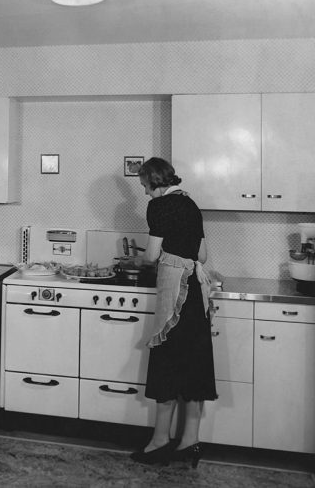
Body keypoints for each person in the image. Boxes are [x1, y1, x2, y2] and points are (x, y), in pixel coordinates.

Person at [130, 157, 217, 468]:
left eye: (144, 187)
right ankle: (190, 441)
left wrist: (137, 261)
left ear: (155, 181)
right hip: (195, 291)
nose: (144, 194)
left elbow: (152, 255)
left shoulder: (159, 207)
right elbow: (202, 254)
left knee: (166, 360)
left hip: (174, 294)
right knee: (194, 363)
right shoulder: (191, 203)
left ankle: (160, 441)